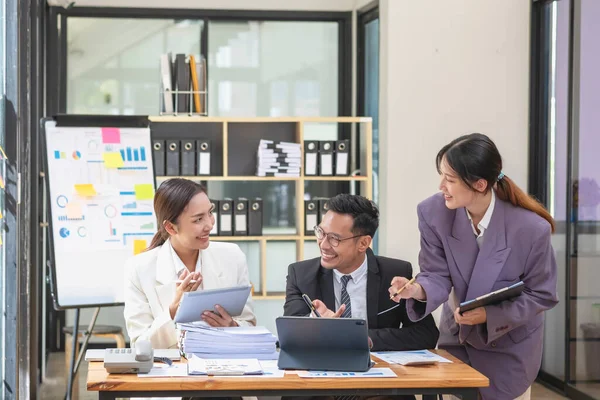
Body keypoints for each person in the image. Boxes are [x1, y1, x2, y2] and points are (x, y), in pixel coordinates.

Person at [389, 133, 559, 400]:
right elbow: (436, 274)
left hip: (510, 349)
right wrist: (417, 290)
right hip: (458, 343)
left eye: (450, 179)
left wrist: (489, 316)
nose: (441, 185)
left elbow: (541, 294)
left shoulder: (531, 229)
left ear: (480, 184)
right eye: (441, 175)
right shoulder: (432, 212)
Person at [284, 193, 439, 352]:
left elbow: (426, 334)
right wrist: (315, 323)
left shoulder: (395, 274)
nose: (323, 244)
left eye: (334, 238)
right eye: (320, 233)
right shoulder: (301, 275)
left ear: (363, 243)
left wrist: (365, 339)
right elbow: (288, 336)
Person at [123, 178, 256, 349]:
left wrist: (232, 327)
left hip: (222, 366)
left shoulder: (232, 257)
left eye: (210, 213)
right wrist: (172, 311)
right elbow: (140, 345)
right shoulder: (139, 269)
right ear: (171, 228)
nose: (209, 225)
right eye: (198, 219)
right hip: (170, 372)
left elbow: (249, 324)